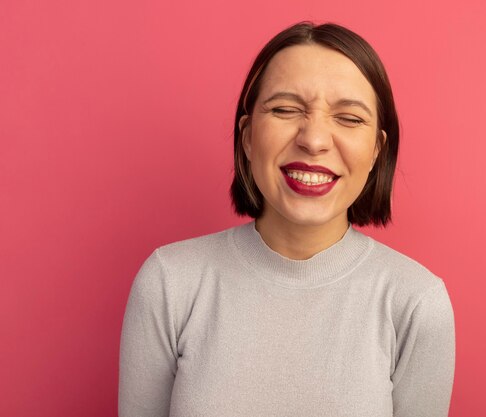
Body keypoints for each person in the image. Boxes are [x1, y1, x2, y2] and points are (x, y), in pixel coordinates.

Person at [119, 22, 455, 417]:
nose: (313, 140)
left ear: (377, 151)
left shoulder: (416, 304)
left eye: (348, 118)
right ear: (247, 136)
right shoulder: (169, 282)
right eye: (284, 110)